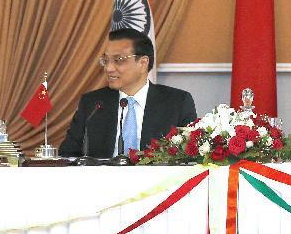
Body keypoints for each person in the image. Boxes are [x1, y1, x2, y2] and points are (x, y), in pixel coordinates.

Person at [59, 28, 197, 158]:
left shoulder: (177, 102)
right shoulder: (92, 103)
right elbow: (68, 154)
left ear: (143, 63)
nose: (109, 68)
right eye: (106, 61)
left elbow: (189, 155)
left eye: (118, 60)